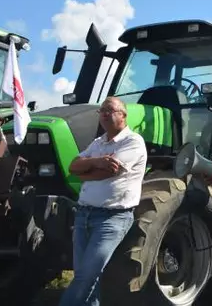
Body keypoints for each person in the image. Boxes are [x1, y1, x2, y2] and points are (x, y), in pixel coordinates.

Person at [59, 96, 147, 306]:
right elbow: (73, 166)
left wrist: (86, 170)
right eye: (102, 111)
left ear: (123, 115)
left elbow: (107, 173)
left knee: (85, 276)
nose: (104, 115)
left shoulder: (133, 142)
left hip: (112, 218)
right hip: (84, 214)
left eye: (110, 110)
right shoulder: (99, 143)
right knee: (88, 277)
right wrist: (96, 161)